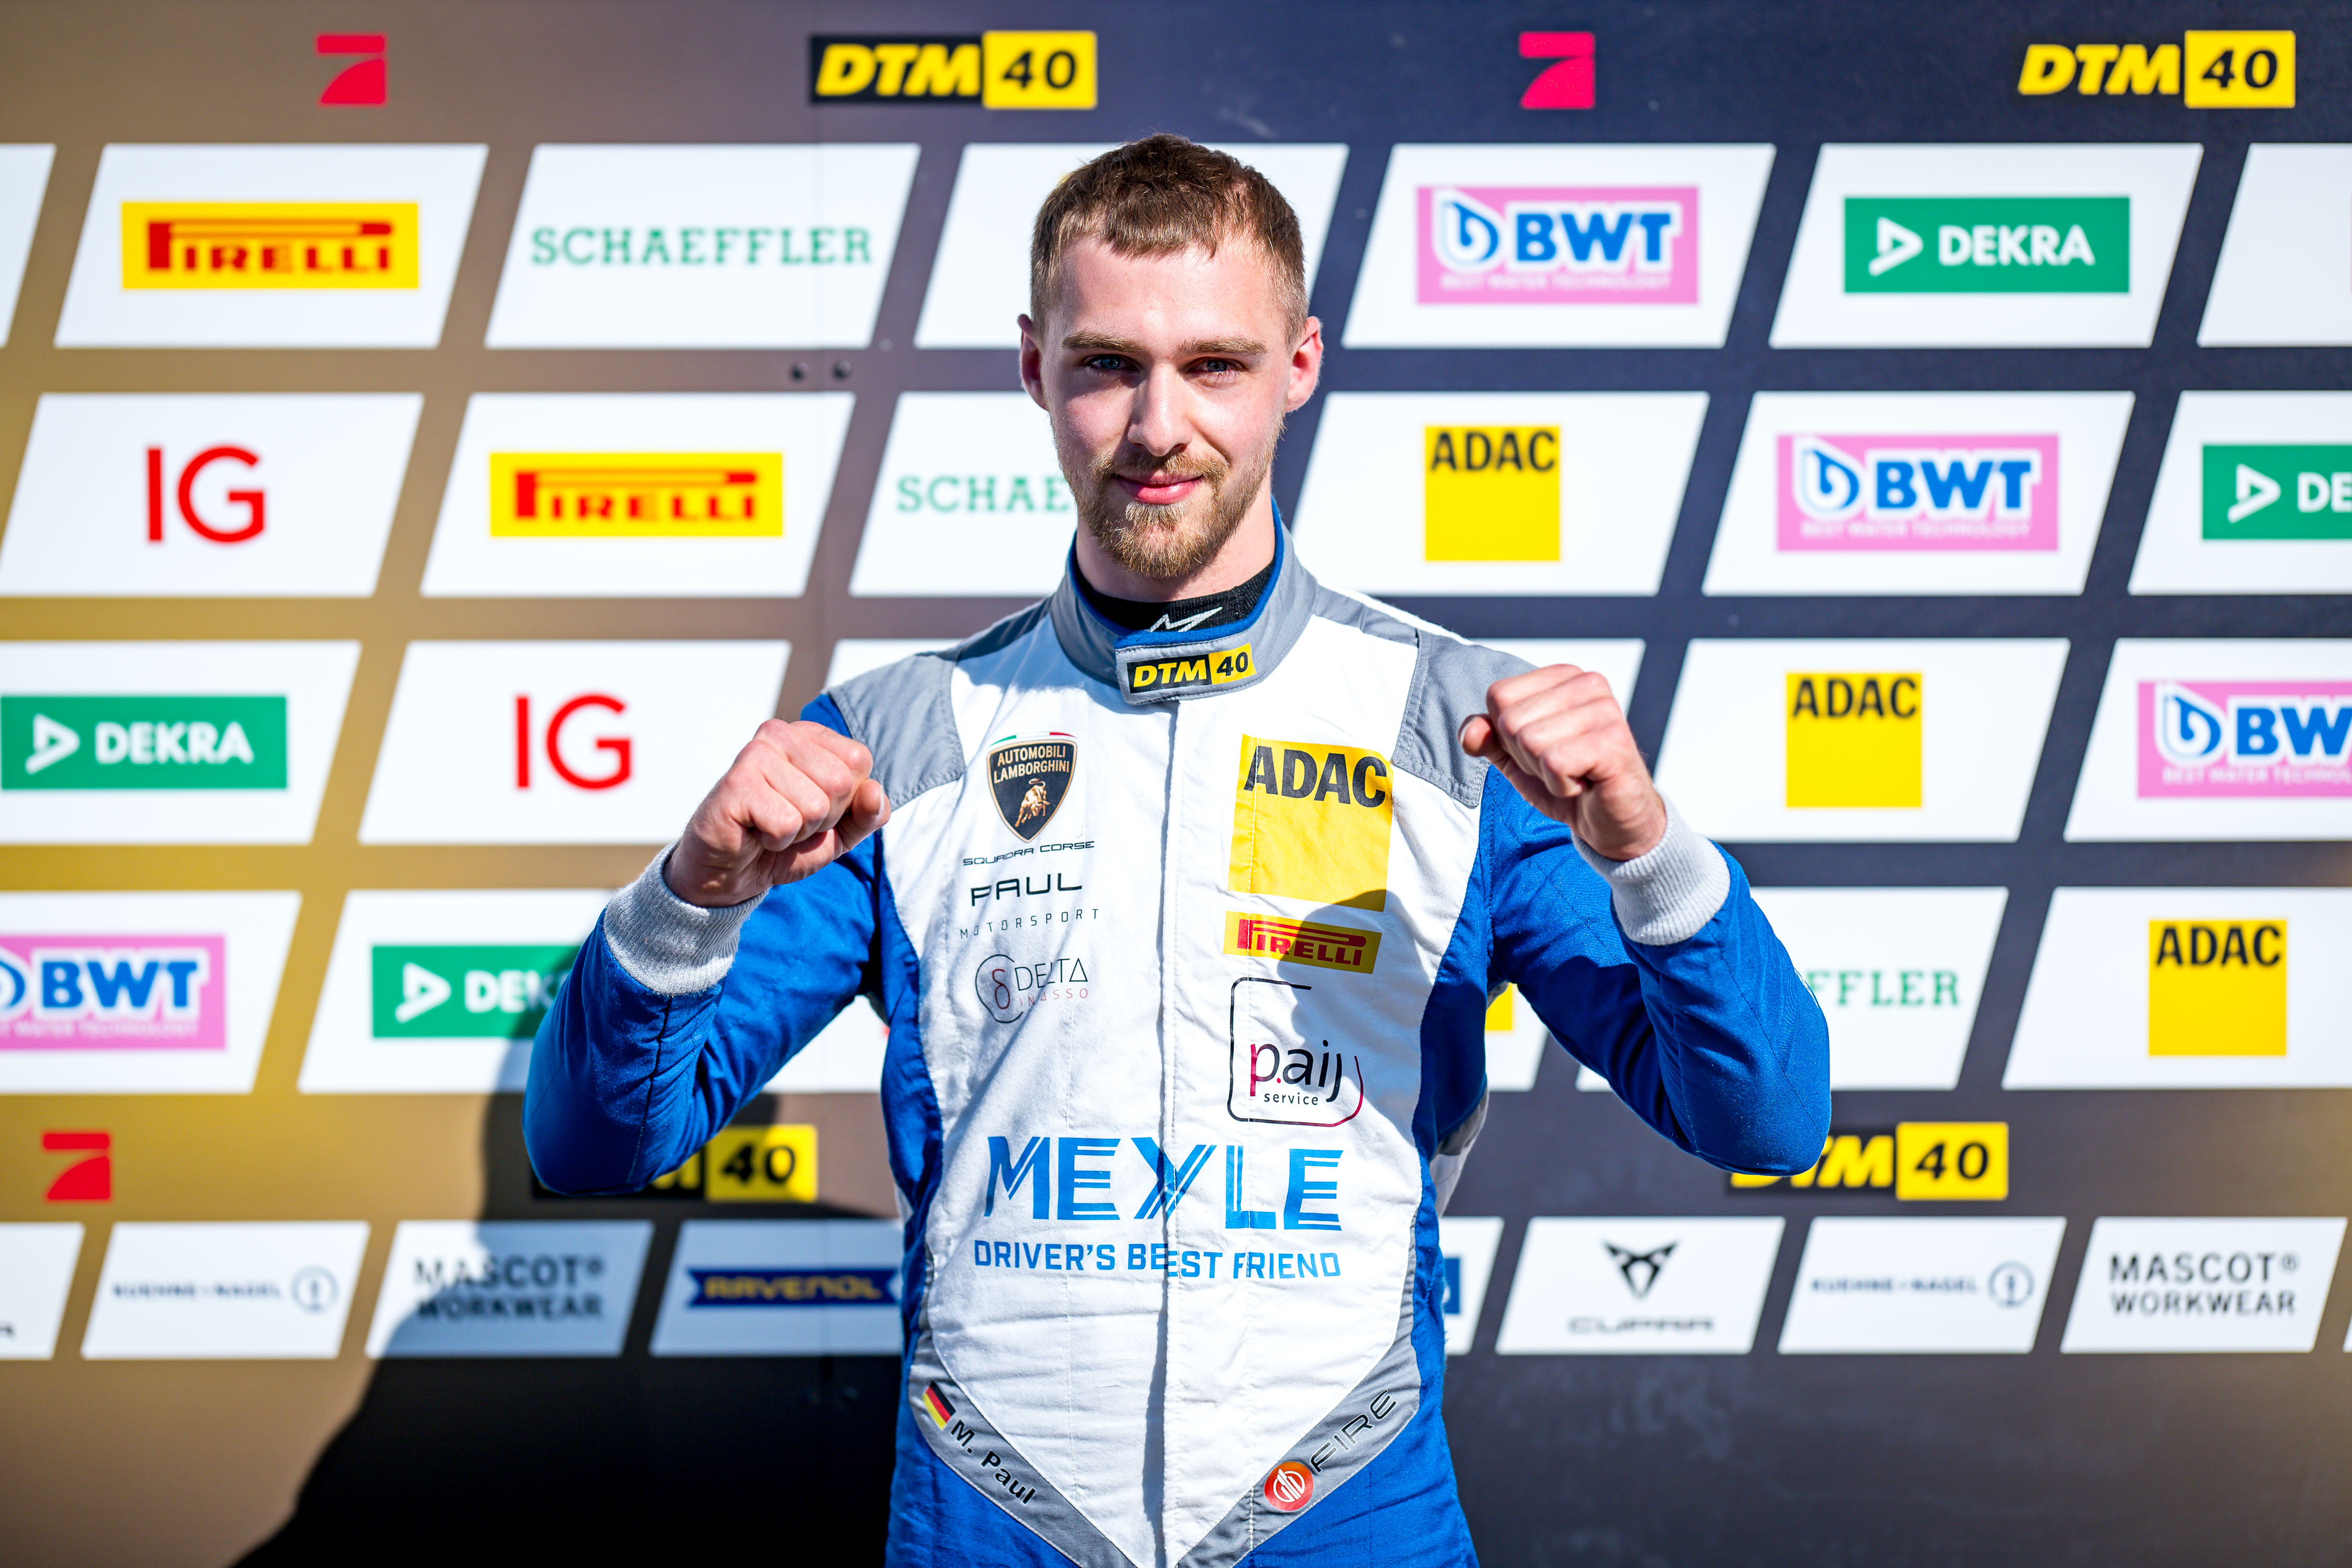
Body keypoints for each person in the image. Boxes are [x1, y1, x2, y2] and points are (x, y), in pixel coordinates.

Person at [527, 134, 1830, 1568]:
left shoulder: (1460, 732)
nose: (1160, 426)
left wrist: (1649, 852)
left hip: (1344, 1510)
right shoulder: (901, 740)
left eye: (1214, 364)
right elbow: (594, 1144)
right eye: (1108, 366)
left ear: (1299, 365)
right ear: (1035, 369)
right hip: (999, 1517)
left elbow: (1764, 1123)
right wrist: (690, 899)